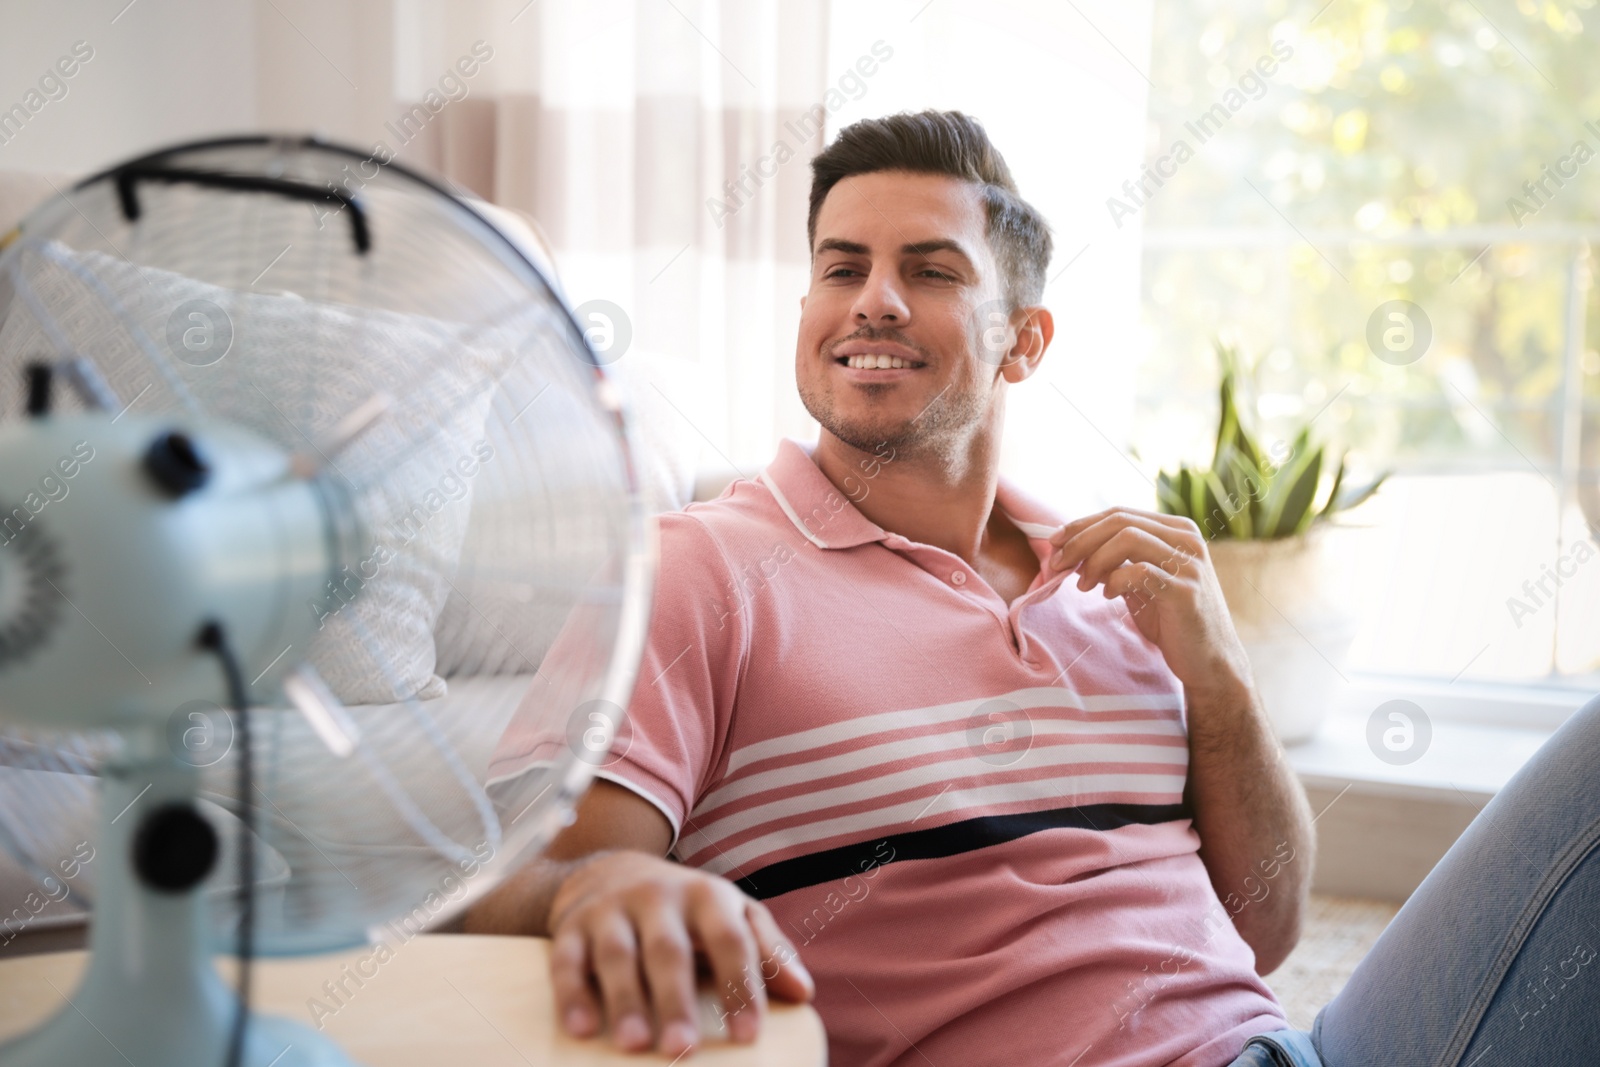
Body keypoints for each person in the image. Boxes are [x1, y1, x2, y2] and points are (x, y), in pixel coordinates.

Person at [467, 110, 1600, 1067]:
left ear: (1026, 340)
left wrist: (1218, 675)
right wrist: (591, 888)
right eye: (839, 266)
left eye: (931, 270)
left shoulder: (1121, 575)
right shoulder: (696, 570)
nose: (873, 300)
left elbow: (1264, 927)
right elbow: (512, 882)